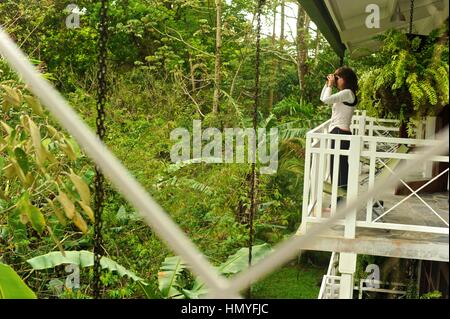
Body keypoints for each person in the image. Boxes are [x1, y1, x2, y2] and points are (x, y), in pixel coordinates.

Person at [320, 66, 358, 206]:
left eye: (338, 77)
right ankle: (339, 198)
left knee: (340, 168)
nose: (335, 79)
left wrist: (330, 85)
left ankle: (341, 200)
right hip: (337, 132)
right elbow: (322, 98)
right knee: (334, 167)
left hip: (340, 133)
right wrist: (327, 84)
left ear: (346, 79)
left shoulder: (348, 93)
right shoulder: (344, 93)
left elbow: (325, 100)